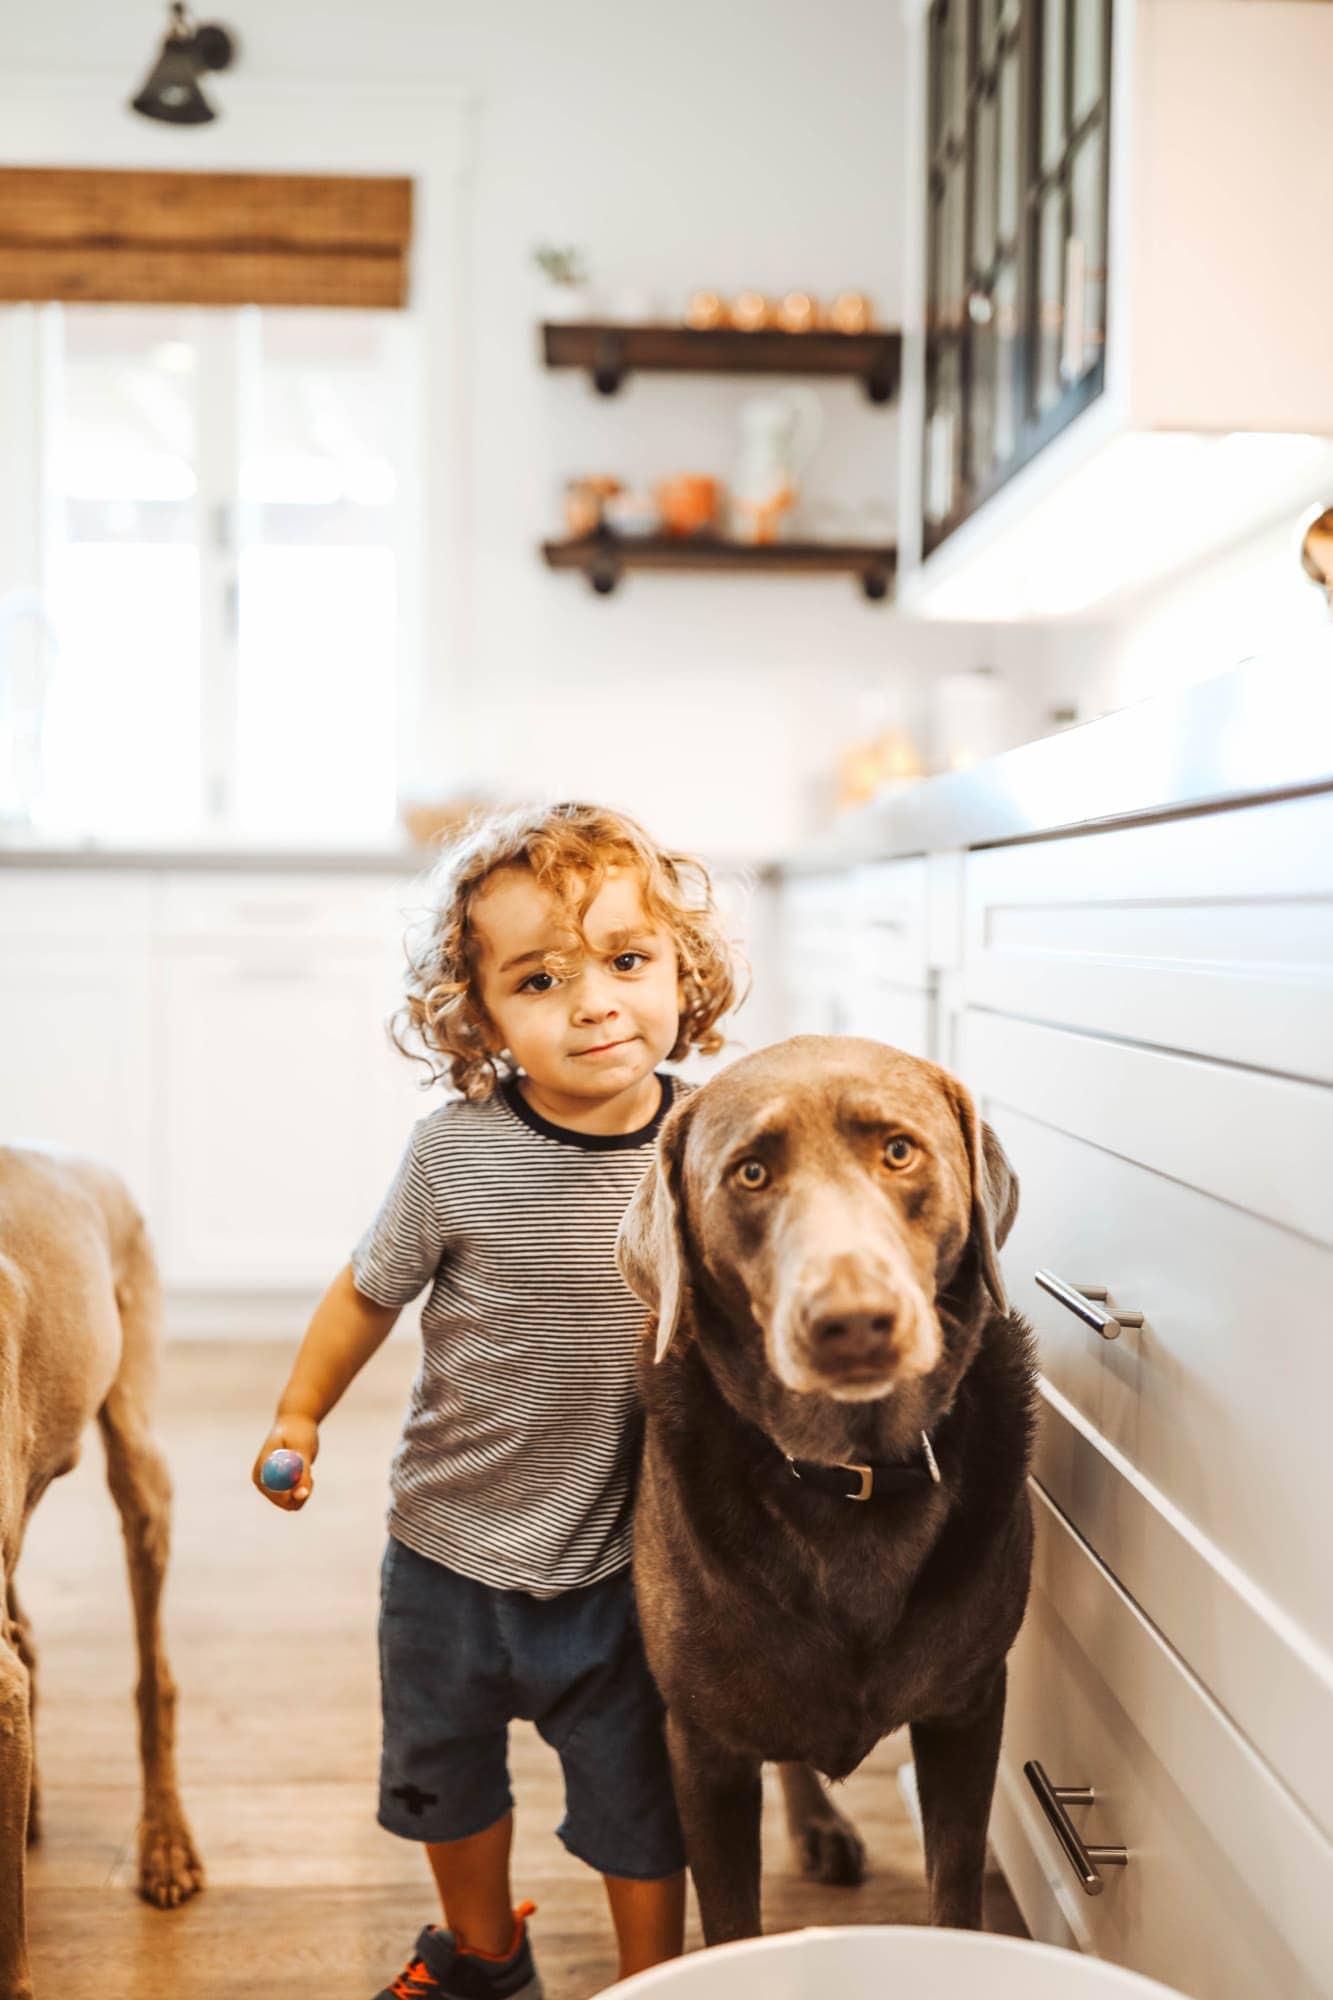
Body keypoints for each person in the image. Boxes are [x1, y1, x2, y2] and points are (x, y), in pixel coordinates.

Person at [251, 800, 744, 2000]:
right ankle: (484, 1956)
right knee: (442, 1775)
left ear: (684, 968)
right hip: (446, 1550)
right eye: (540, 978)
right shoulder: (453, 1152)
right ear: (478, 1016)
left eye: (628, 960)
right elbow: (368, 1292)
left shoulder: (714, 1146)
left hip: (630, 1565)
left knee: (640, 1795)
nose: (593, 1002)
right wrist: (299, 1411)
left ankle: (647, 1981)